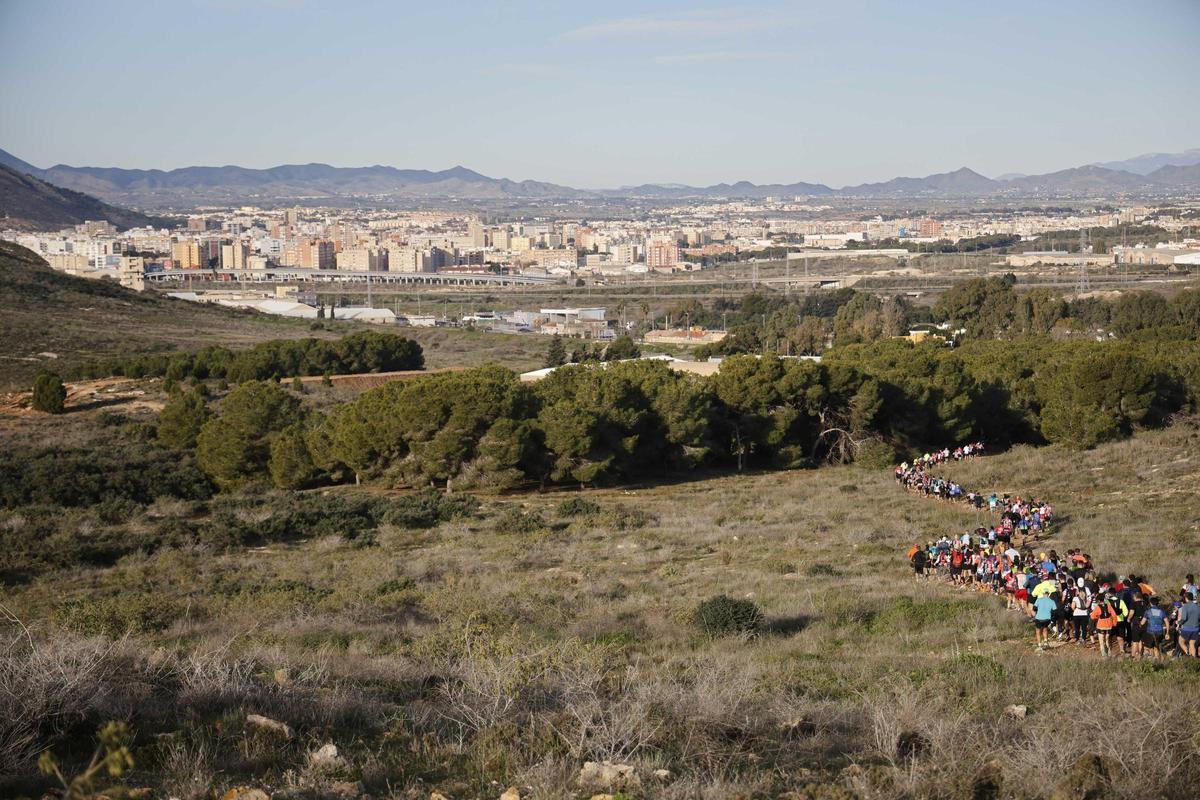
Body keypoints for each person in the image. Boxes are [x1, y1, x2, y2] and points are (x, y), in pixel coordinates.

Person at [1091, 593, 1118, 657]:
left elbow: (1092, 616)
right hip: (1109, 625)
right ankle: (1109, 653)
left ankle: (1104, 655)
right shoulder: (1109, 606)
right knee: (1107, 639)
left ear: (1098, 600)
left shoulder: (1097, 607)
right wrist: (1114, 623)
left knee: (1101, 641)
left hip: (1101, 625)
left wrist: (1097, 617)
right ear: (1104, 599)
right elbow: (1114, 615)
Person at [1179, 591, 1200, 658]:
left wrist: (1179, 623)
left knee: (1181, 641)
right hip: (1196, 629)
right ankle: (1193, 660)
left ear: (1186, 598)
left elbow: (1184, 618)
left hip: (1187, 629)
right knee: (1192, 644)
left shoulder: (1185, 606)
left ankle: (1187, 652)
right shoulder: (1198, 607)